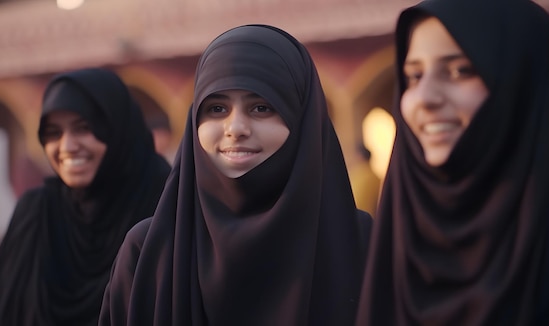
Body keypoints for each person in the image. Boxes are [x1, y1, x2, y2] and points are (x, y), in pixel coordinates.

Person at [99, 24, 373, 326]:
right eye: (216, 108)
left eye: (261, 107)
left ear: (303, 119)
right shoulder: (149, 252)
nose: (236, 128)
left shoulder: (357, 241)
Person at [357, 0, 549, 324]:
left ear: (522, 83)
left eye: (460, 70)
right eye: (414, 76)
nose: (425, 98)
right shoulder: (400, 234)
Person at [0, 68, 172, 326]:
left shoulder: (163, 203)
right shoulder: (35, 214)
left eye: (84, 127)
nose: (67, 146)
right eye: (54, 132)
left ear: (117, 128)